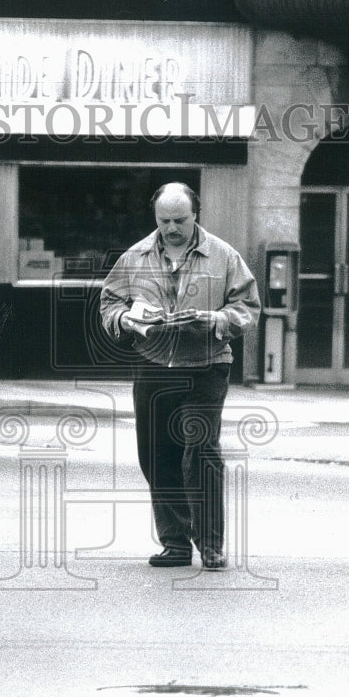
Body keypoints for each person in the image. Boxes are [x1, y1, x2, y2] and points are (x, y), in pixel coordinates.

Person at [100, 182, 260, 570]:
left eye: (180, 220)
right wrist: (127, 320)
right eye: (164, 220)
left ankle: (210, 545)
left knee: (201, 452)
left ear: (196, 215)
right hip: (153, 364)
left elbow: (248, 306)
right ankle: (175, 542)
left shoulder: (223, 255)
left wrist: (216, 320)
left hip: (206, 365)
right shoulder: (135, 255)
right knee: (156, 455)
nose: (171, 228)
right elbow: (109, 305)